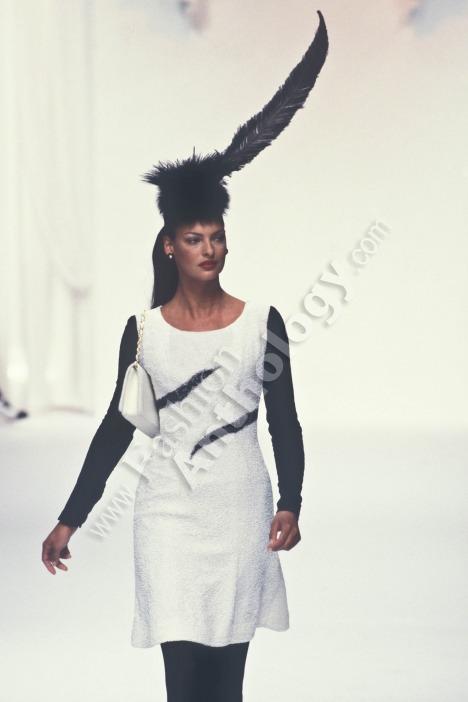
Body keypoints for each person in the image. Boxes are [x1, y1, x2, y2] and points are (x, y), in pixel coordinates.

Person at [42, 10, 329, 701]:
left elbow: (284, 422)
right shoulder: (143, 332)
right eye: (195, 238)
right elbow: (118, 428)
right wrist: (72, 516)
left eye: (217, 236)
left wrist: (291, 501)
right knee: (183, 682)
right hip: (167, 516)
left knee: (225, 686)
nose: (210, 249)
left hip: (239, 511)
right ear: (170, 245)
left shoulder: (261, 324)